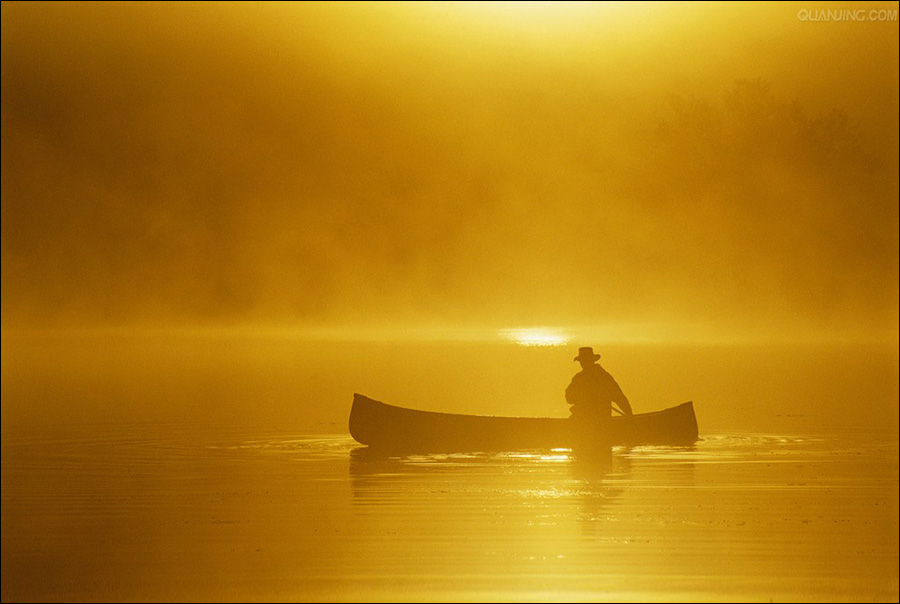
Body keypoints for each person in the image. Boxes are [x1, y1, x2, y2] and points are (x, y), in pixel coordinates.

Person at [566, 346, 633, 421]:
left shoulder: (603, 377)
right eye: (582, 361)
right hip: (582, 417)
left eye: (585, 360)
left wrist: (629, 414)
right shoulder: (579, 378)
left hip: (599, 419)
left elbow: (619, 397)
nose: (583, 363)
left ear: (591, 361)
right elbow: (569, 398)